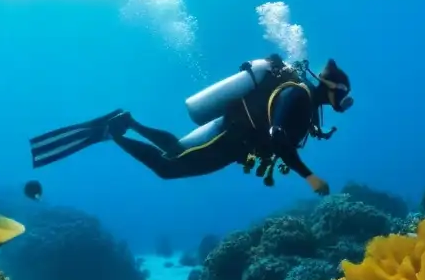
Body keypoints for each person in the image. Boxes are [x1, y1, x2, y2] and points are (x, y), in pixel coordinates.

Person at [28, 55, 353, 196]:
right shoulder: (297, 98)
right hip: (233, 139)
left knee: (177, 149)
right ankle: (115, 133)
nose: (344, 104)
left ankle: (130, 123)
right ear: (332, 90)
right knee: (169, 168)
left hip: (235, 133)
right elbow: (278, 136)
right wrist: (309, 177)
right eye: (345, 96)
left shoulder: (303, 100)